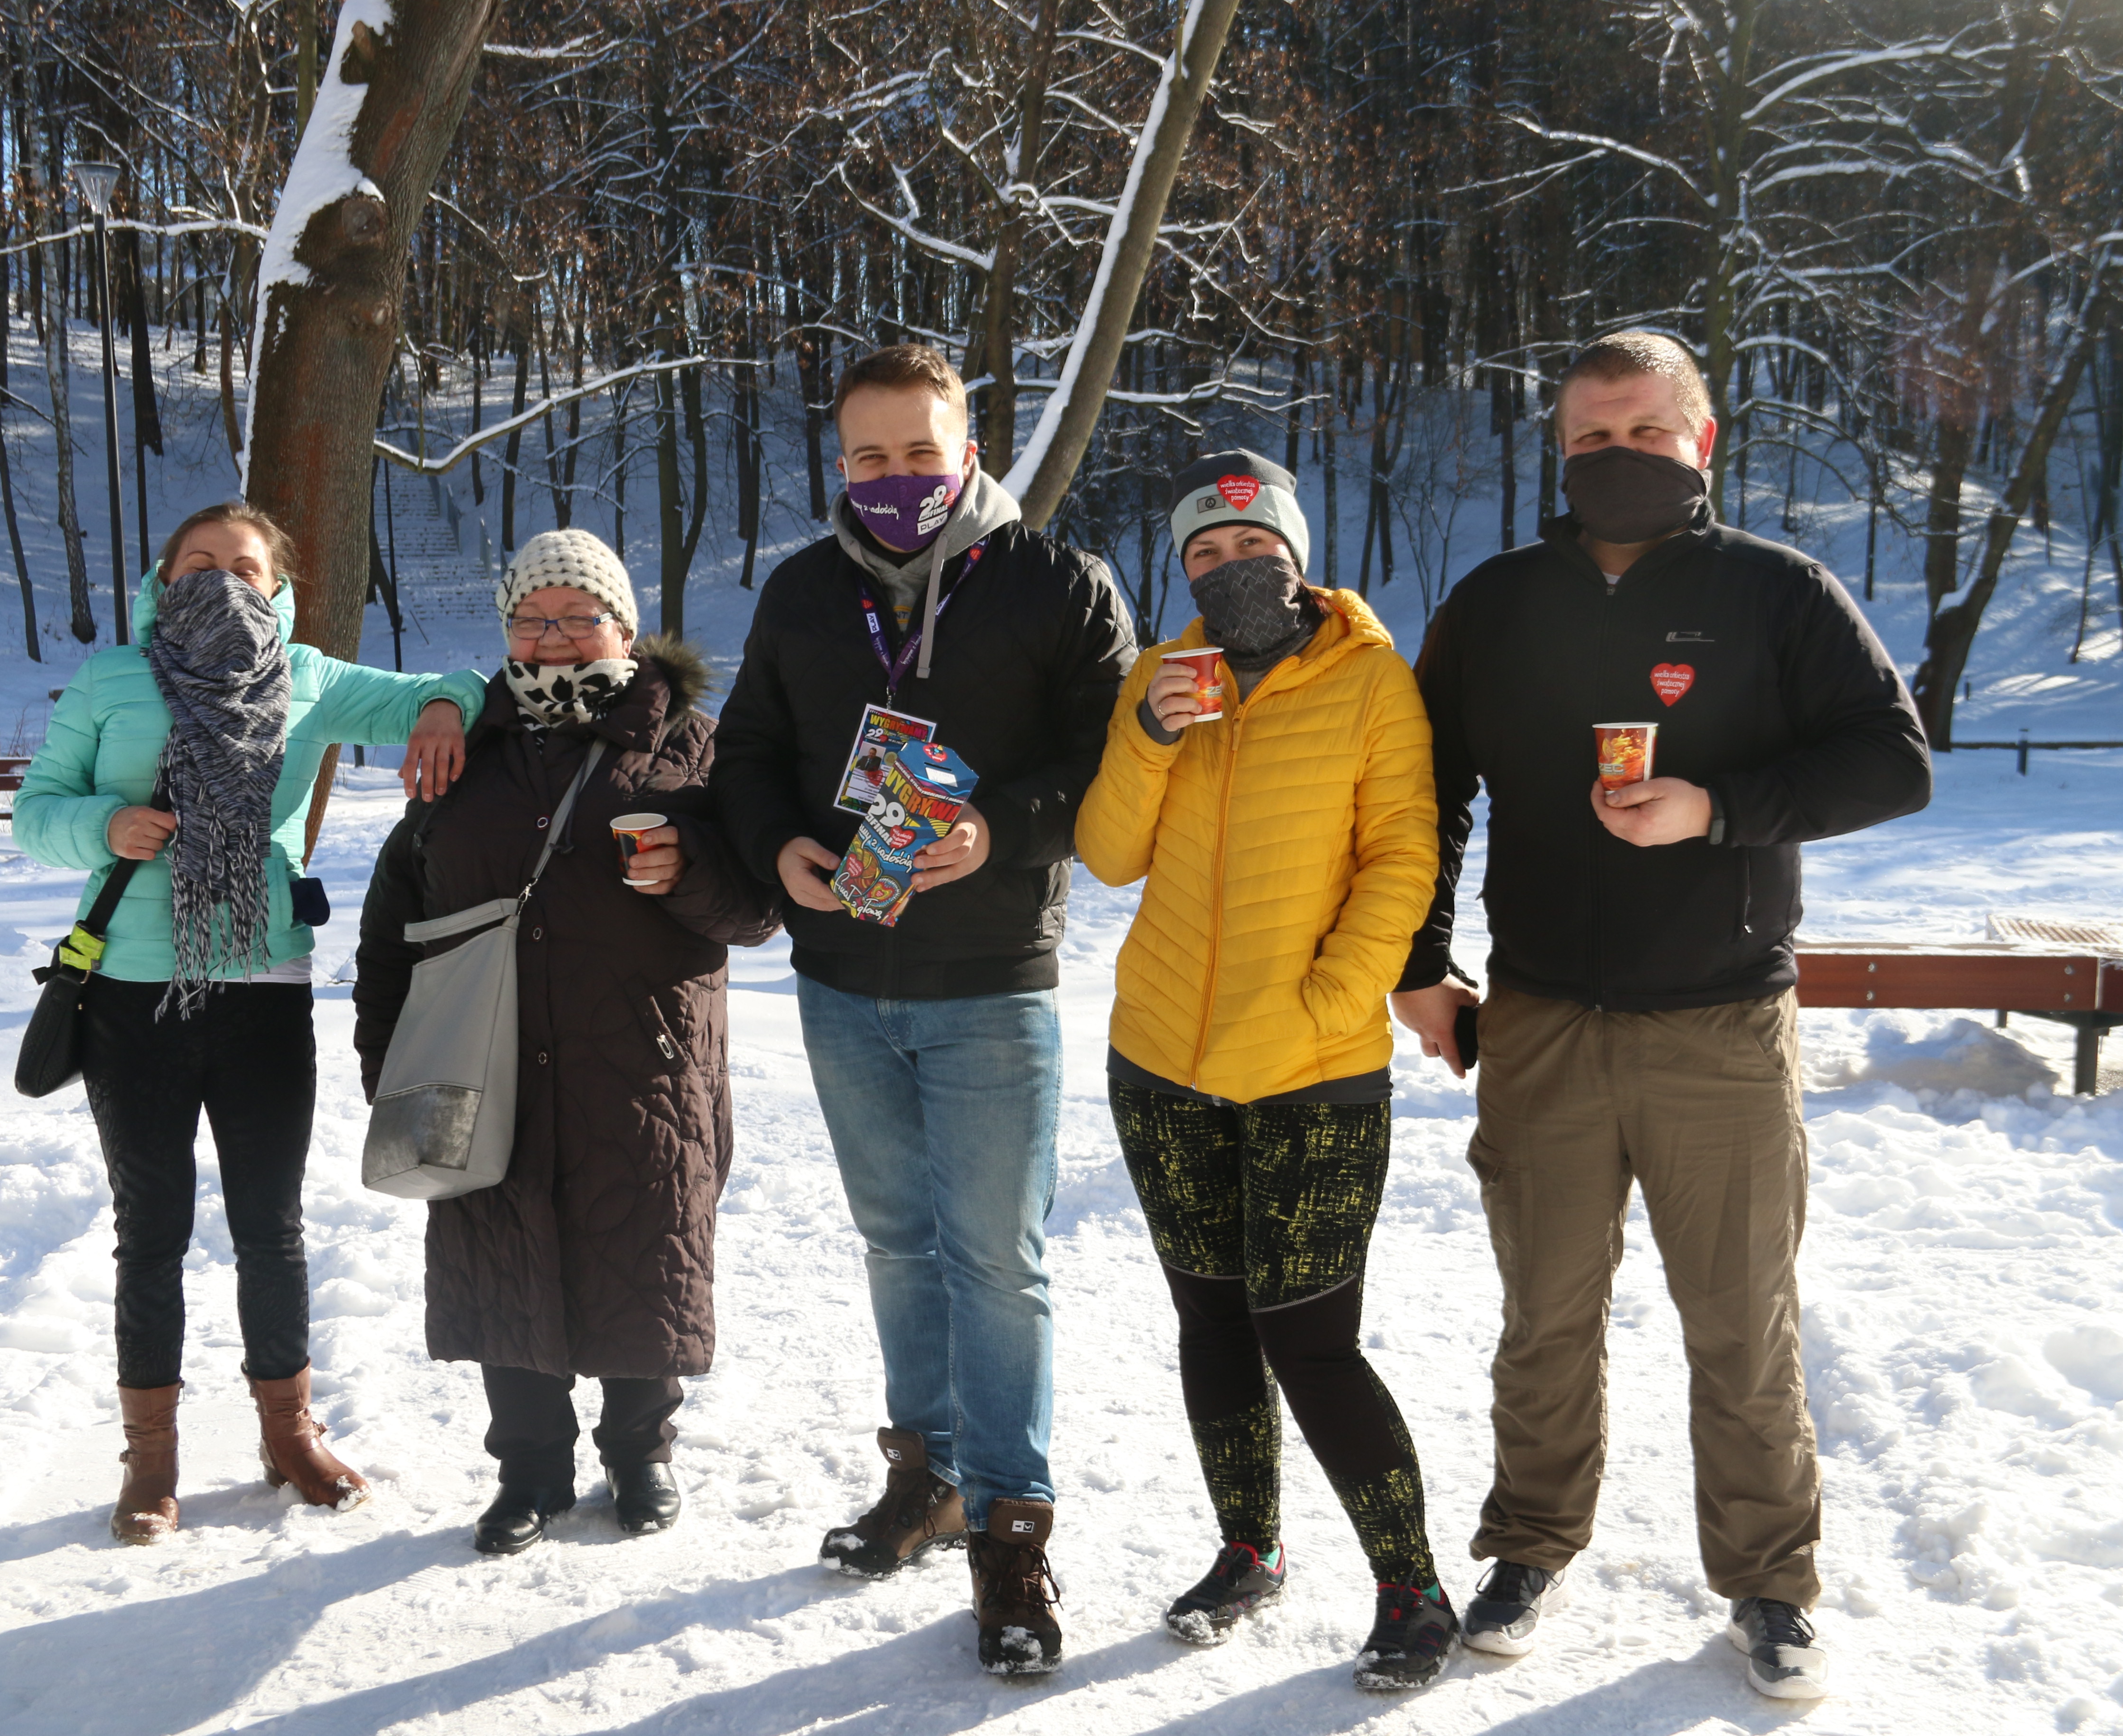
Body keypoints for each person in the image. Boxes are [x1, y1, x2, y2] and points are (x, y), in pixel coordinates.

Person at [1390, 332, 1932, 1698]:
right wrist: (1419, 957)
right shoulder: (1499, 602)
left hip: (1722, 1023)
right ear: (1558, 452)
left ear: (1702, 443)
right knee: (1544, 1314)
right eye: (1589, 438)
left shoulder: (1777, 592)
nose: (1615, 458)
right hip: (1544, 1020)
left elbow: (1895, 760)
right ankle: (1527, 1545)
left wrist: (1721, 808)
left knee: (1742, 1323)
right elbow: (1420, 793)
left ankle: (1770, 1584)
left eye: (1643, 433)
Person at [712, 342, 1135, 1675]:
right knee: (898, 1244)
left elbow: (1116, 764)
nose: (894, 478)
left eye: (918, 452)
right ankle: (930, 1473)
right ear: (842, 463)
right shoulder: (800, 592)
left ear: (967, 448)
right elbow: (749, 755)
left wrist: (1000, 833)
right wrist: (780, 849)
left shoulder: (1057, 583)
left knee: (998, 1263)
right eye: (868, 457)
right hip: (842, 985)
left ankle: (1011, 1527)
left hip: (992, 982)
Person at [11, 502, 485, 1546]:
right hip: (133, 995)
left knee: (272, 1228)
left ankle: (288, 1431)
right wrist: (104, 825)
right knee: (155, 1232)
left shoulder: (307, 676)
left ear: (277, 587)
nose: (222, 580)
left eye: (245, 566)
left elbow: (454, 690)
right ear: (163, 578)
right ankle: (154, 1459)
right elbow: (34, 812)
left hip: (264, 988)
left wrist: (445, 709)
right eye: (199, 563)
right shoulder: (111, 680)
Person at [1077, 452, 1456, 1689]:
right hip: (1163, 1065)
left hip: (1313, 1070)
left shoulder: (1371, 682)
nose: (1229, 568)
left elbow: (1406, 857)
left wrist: (1334, 1001)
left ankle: (1413, 1590)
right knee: (1212, 1320)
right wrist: (1145, 732)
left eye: (1250, 547)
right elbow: (1109, 854)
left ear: (1294, 554)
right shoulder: (1164, 678)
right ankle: (1251, 1548)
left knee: (1309, 1338)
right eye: (1203, 553)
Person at [353, 529, 782, 1555]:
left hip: (645, 1059)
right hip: (483, 1056)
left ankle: (643, 1460)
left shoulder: (693, 744)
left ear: (625, 629)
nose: (553, 637)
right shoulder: (463, 746)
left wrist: (690, 872)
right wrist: (391, 1057)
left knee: (644, 1256)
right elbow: (395, 912)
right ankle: (531, 1473)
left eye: (578, 615)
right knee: (505, 1254)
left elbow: (759, 909)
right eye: (530, 619)